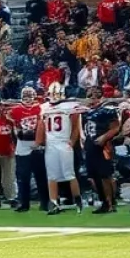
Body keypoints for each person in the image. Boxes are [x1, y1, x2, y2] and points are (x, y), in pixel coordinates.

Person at [35, 81, 83, 214]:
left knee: (69, 174)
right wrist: (40, 141)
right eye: (53, 93)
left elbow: (75, 126)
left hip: (63, 142)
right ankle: (54, 203)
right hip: (51, 144)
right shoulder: (44, 107)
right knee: (52, 175)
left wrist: (72, 142)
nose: (54, 96)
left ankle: (78, 200)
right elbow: (42, 126)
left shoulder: (70, 106)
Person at [81, 88, 120, 214]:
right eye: (90, 95)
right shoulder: (85, 111)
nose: (93, 97)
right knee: (92, 177)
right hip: (90, 145)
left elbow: (116, 128)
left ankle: (110, 202)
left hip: (104, 146)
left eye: (96, 95)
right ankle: (104, 201)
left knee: (105, 175)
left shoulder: (108, 109)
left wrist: (104, 137)